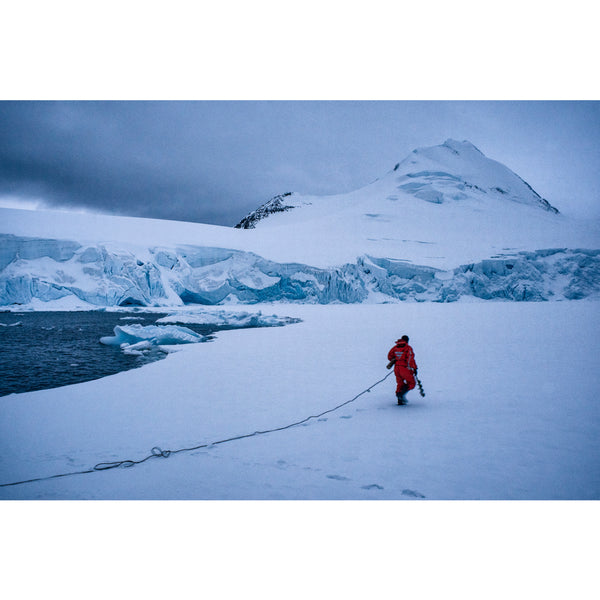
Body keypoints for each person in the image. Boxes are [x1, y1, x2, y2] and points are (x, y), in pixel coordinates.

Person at [387, 335, 418, 405]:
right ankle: (401, 394)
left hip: (396, 368)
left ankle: (400, 400)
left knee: (400, 383)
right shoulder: (408, 348)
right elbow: (410, 359)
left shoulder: (395, 347)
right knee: (412, 383)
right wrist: (414, 368)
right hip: (404, 368)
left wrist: (396, 360)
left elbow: (389, 356)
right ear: (407, 340)